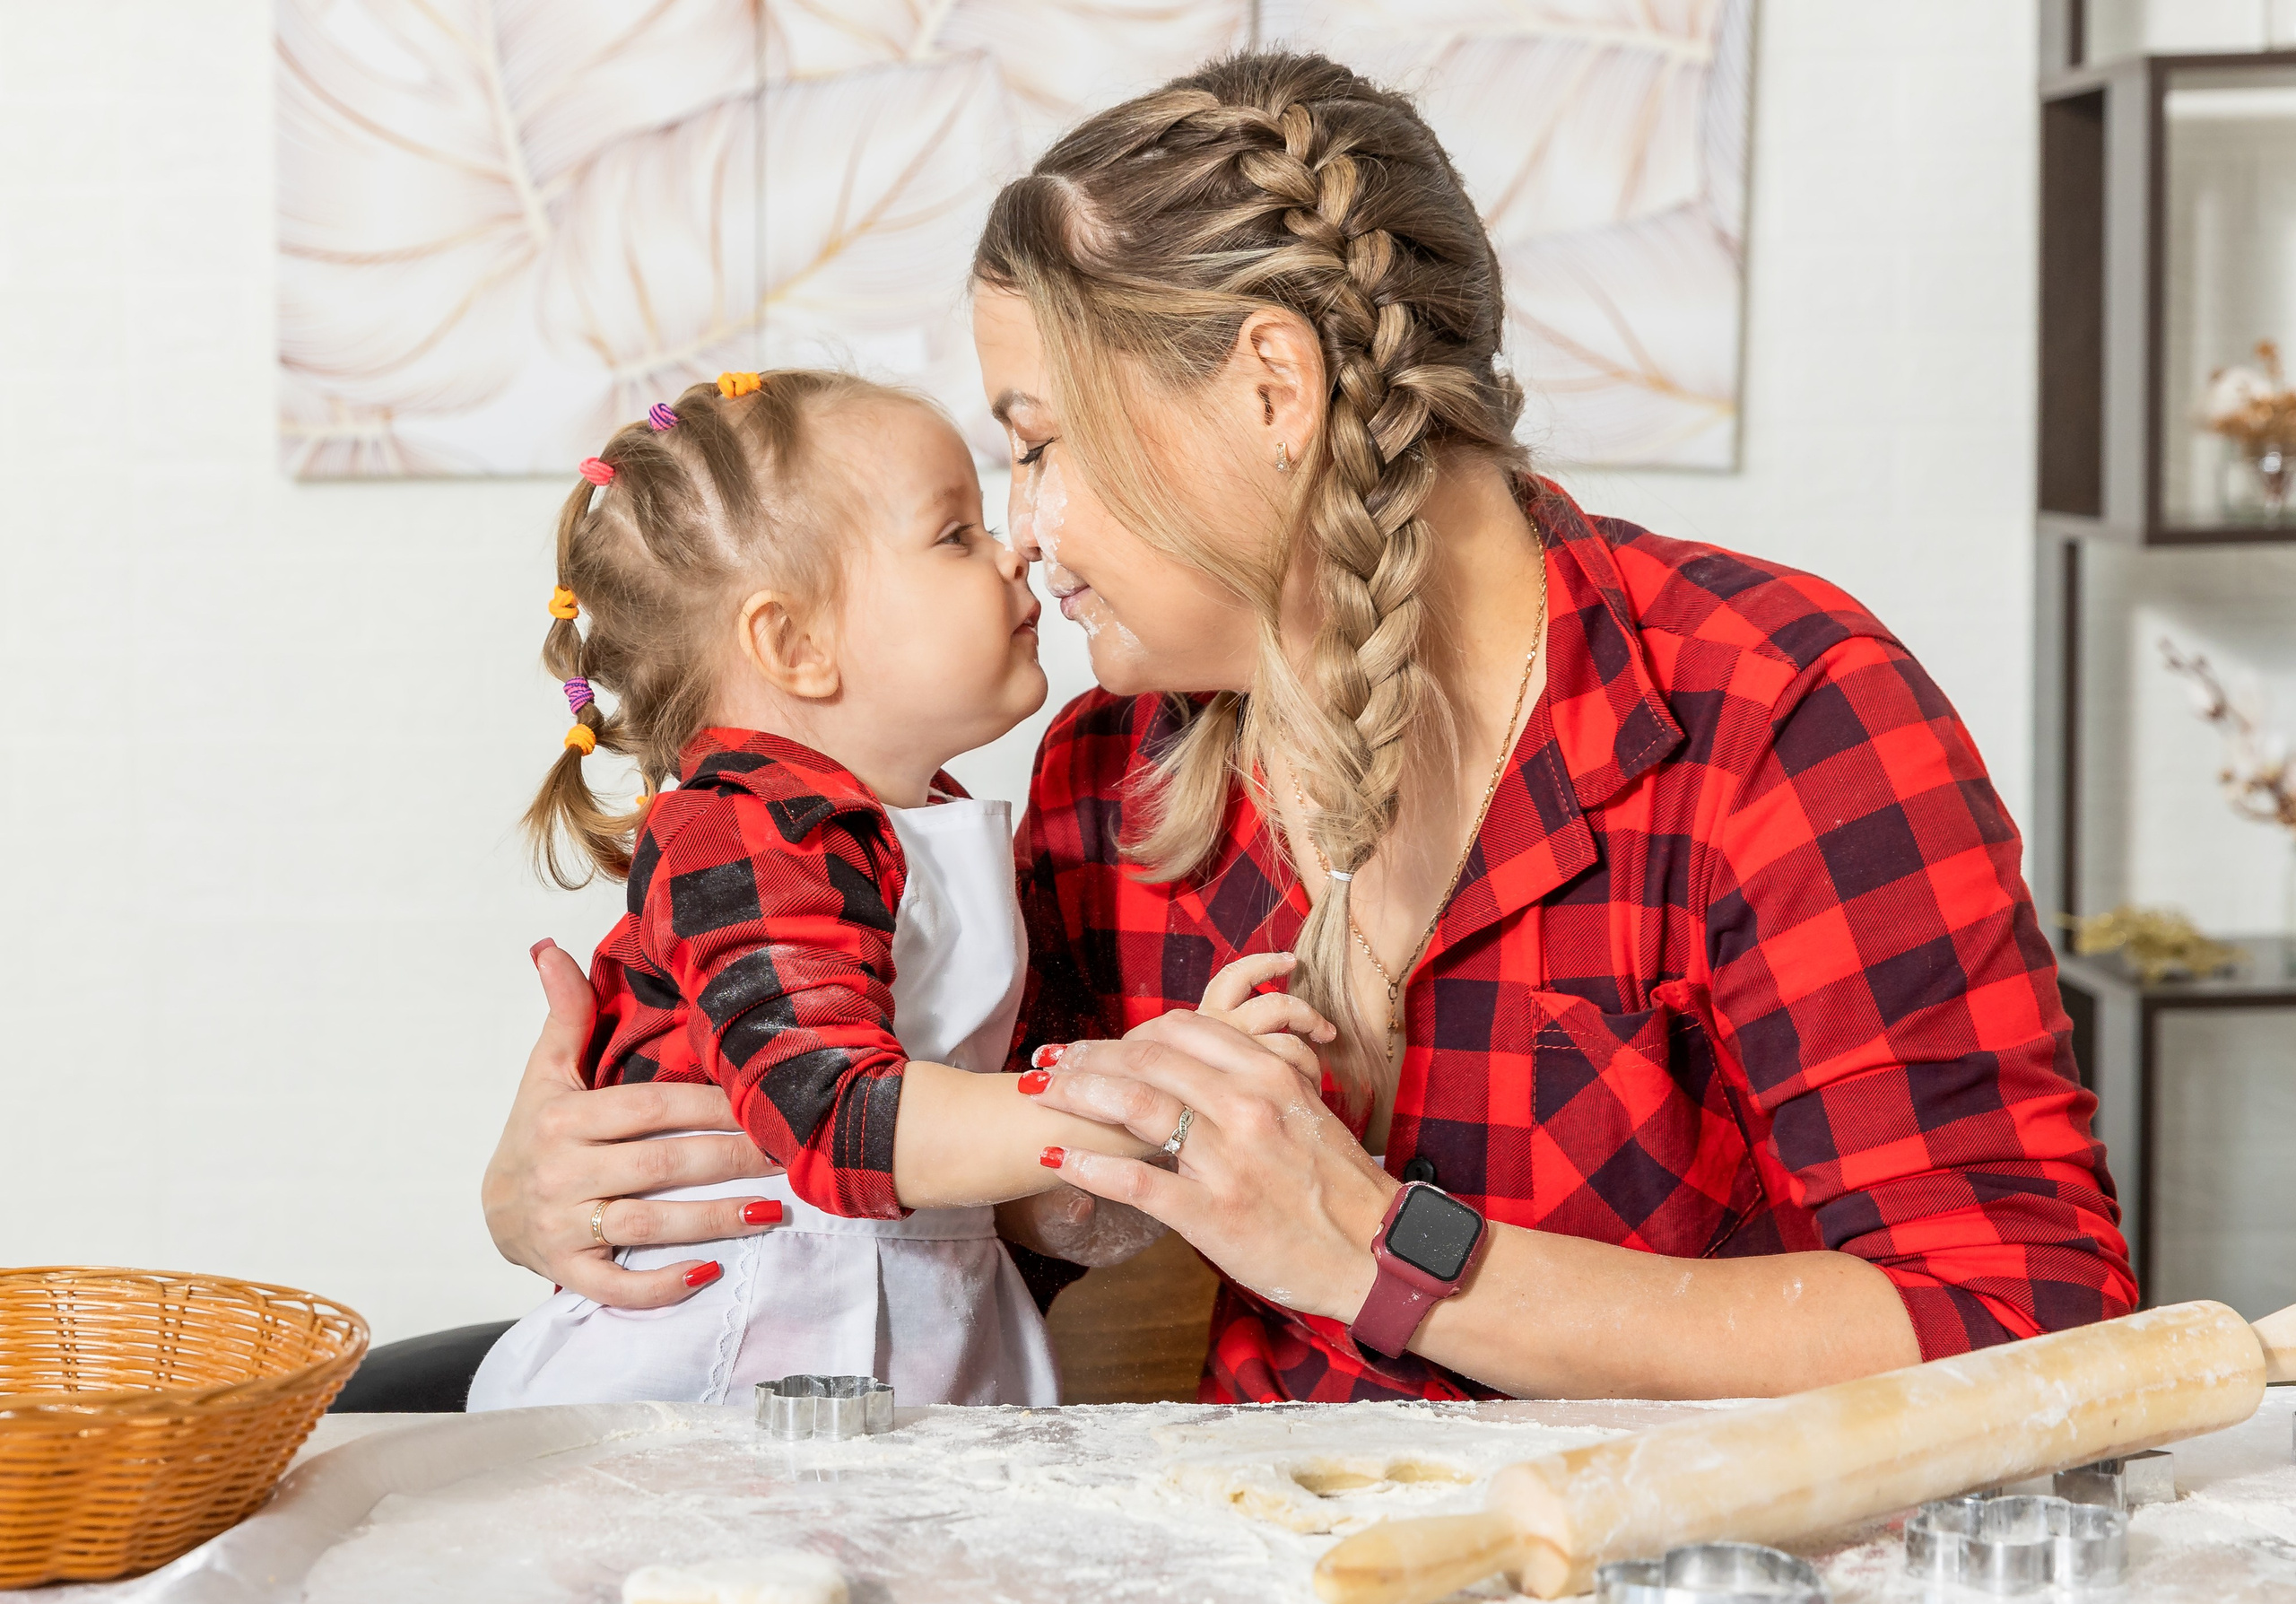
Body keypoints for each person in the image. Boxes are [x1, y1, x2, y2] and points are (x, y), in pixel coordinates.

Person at [483, 53, 2136, 1405]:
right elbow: (993, 1228)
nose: (1028, 532)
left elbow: (2025, 1326)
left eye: (1043, 444)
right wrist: (596, 1178)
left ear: (1273, 389)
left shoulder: (1775, 716)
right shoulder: (1109, 777)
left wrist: (1377, 1252)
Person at [466, 370, 1328, 1411]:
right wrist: (1146, 1096)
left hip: (916, 1350)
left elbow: (1026, 1096)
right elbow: (834, 1115)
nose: (1016, 545)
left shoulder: (935, 826)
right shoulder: (735, 824)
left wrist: (1179, 1073)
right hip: (717, 1375)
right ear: (795, 644)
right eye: (954, 534)